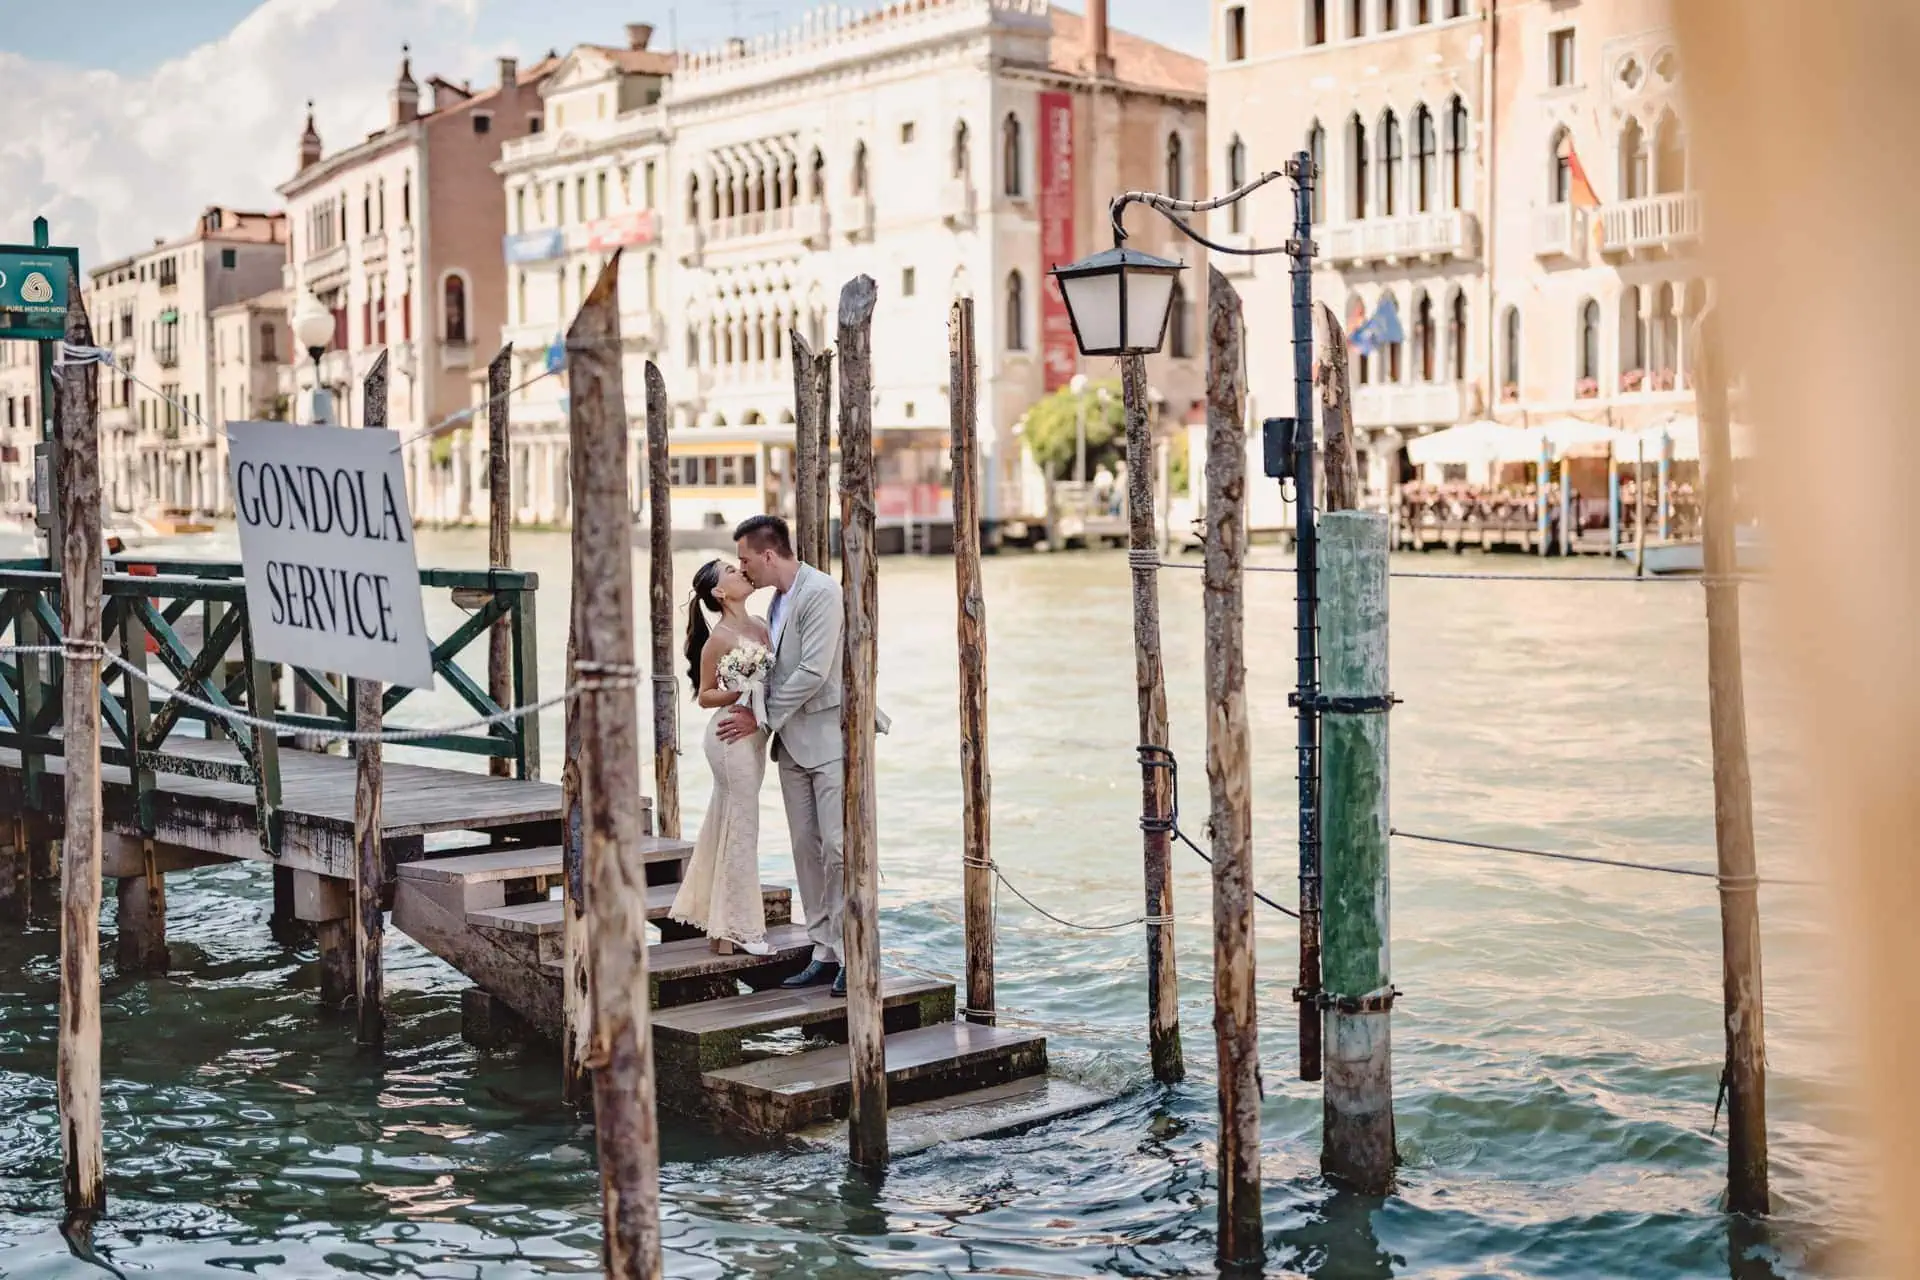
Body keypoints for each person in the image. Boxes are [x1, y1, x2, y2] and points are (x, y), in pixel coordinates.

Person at [717, 514, 886, 998]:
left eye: (747, 559)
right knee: (805, 850)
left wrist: (759, 716)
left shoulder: (821, 592)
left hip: (828, 739)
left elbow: (813, 671)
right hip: (791, 743)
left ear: (769, 555)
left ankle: (854, 949)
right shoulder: (773, 602)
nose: (744, 569)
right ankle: (822, 949)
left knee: (838, 849)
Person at [668, 558, 774, 956]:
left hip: (755, 734)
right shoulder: (720, 638)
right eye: (731, 570)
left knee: (727, 824)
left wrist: (757, 691)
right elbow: (705, 696)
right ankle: (742, 929)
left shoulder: (761, 625)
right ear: (719, 592)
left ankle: (721, 929)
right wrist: (743, 689)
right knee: (743, 827)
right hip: (730, 736)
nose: (740, 571)